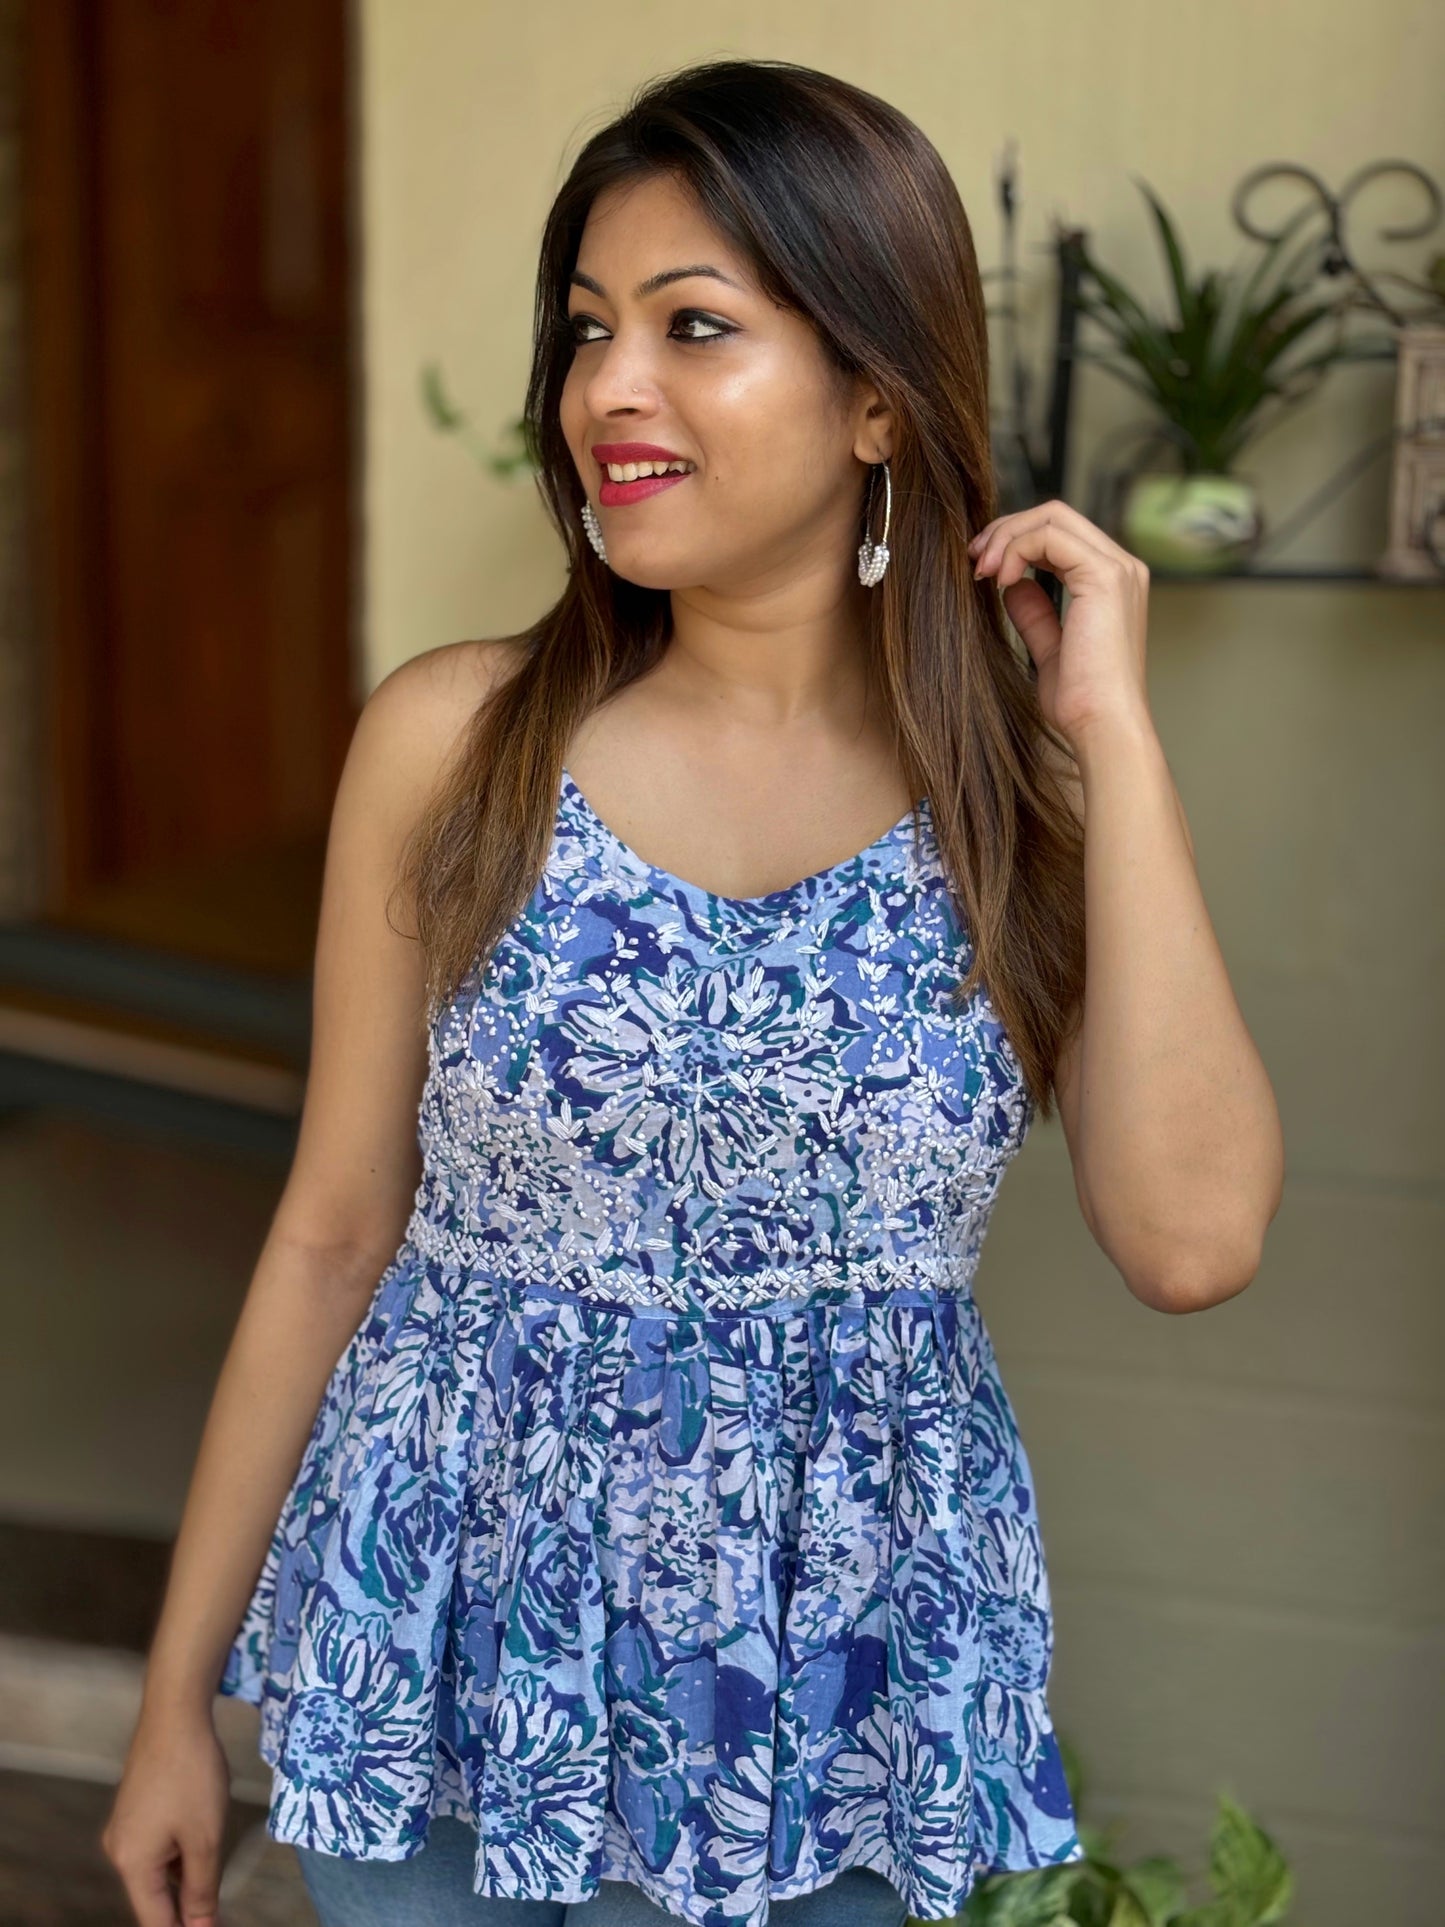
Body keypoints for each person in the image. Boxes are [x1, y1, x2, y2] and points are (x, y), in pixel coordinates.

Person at [100, 54, 1284, 1927]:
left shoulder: (1022, 801)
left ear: (878, 397)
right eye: (586, 329)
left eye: (693, 325)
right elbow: (332, 1233)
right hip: (439, 1647)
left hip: (835, 1688)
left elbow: (1192, 1236)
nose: (606, 391)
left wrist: (1114, 735)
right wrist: (175, 1702)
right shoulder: (453, 737)